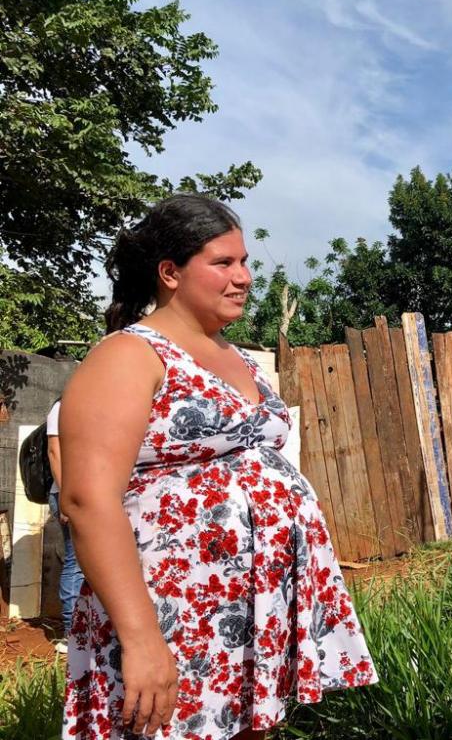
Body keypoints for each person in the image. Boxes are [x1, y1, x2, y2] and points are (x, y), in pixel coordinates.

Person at [58, 194, 377, 740]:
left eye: (244, 261)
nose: (244, 277)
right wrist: (142, 638)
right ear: (170, 273)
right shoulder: (128, 355)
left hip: (251, 605)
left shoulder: (239, 356)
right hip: (170, 608)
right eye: (223, 262)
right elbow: (87, 500)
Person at [45, 399, 84, 655]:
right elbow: (54, 451)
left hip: (90, 495)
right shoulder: (62, 407)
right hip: (67, 494)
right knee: (76, 562)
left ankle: (85, 631)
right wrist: (65, 496)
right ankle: (72, 634)